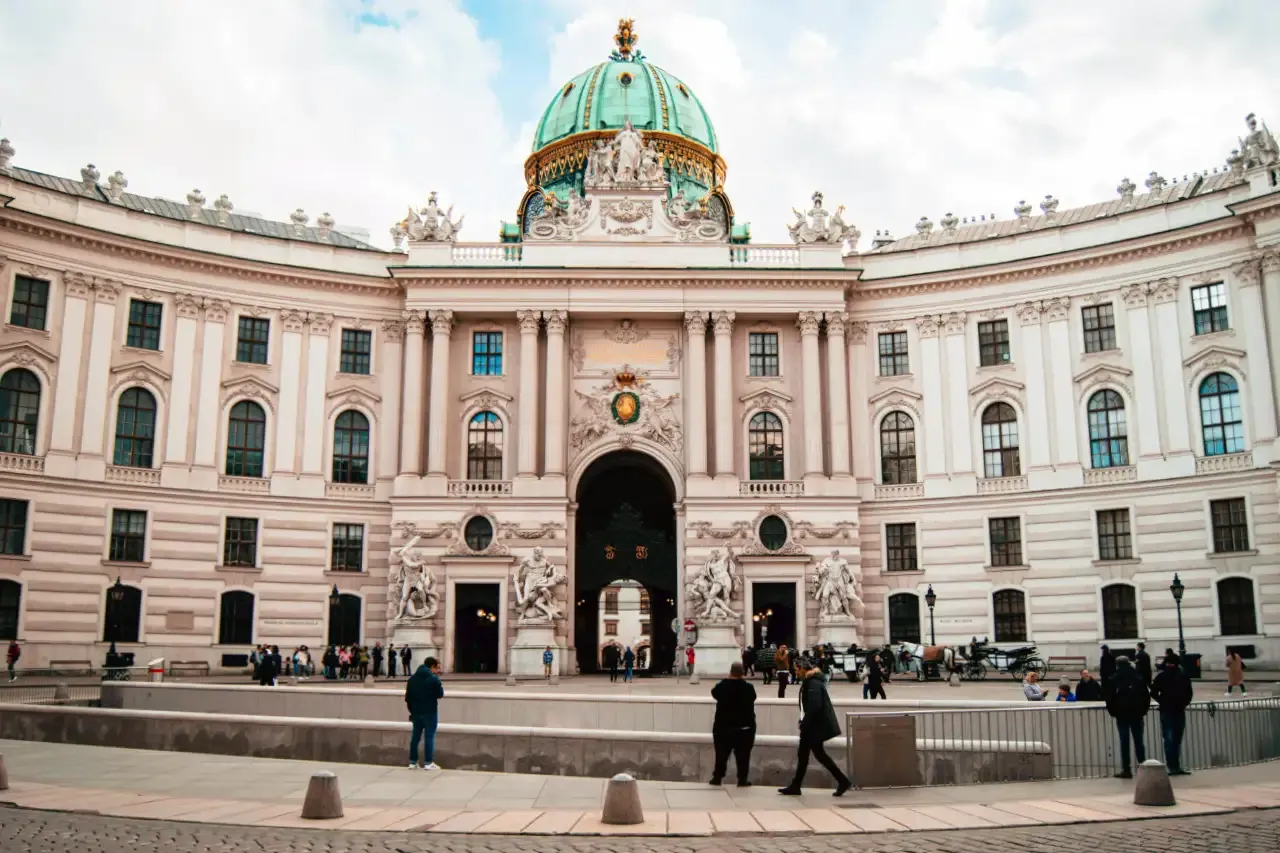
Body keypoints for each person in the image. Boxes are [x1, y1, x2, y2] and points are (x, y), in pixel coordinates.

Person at [778, 657, 852, 797]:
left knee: (815, 755)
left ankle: (842, 781)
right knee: (808, 755)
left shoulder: (812, 683)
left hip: (812, 727)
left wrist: (805, 722)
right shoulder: (811, 681)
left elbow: (815, 706)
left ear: (802, 668)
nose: (795, 672)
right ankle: (797, 785)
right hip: (811, 726)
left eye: (796, 669)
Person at [710, 662, 757, 787]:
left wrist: (727, 679)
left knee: (721, 753)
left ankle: (717, 777)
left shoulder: (722, 686)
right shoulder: (748, 687)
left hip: (723, 727)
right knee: (743, 755)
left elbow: (714, 692)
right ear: (742, 673)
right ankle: (742, 779)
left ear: (730, 672)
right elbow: (753, 697)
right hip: (744, 728)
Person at [1105, 656, 1150, 778]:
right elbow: (1146, 696)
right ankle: (1143, 766)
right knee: (1139, 741)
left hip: (1122, 714)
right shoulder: (1137, 677)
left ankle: (1127, 769)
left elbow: (1109, 698)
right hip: (1136, 713)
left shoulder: (1114, 678)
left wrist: (1113, 711)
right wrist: (1143, 710)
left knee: (1124, 742)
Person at [1151, 653, 1194, 775]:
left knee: (1169, 740)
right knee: (1177, 739)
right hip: (1179, 710)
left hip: (1166, 710)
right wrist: (1184, 703)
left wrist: (1161, 701)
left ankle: (1172, 766)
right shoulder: (1183, 676)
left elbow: (1153, 692)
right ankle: (1176, 766)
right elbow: (1189, 693)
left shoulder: (1162, 676)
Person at [405, 656, 445, 770]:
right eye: (436, 668)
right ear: (432, 667)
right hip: (430, 712)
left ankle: (413, 762)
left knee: (415, 737)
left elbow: (408, 698)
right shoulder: (433, 679)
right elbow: (440, 694)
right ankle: (428, 762)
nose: (437, 671)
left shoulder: (412, 679)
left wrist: (412, 710)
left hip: (416, 712)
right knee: (429, 736)